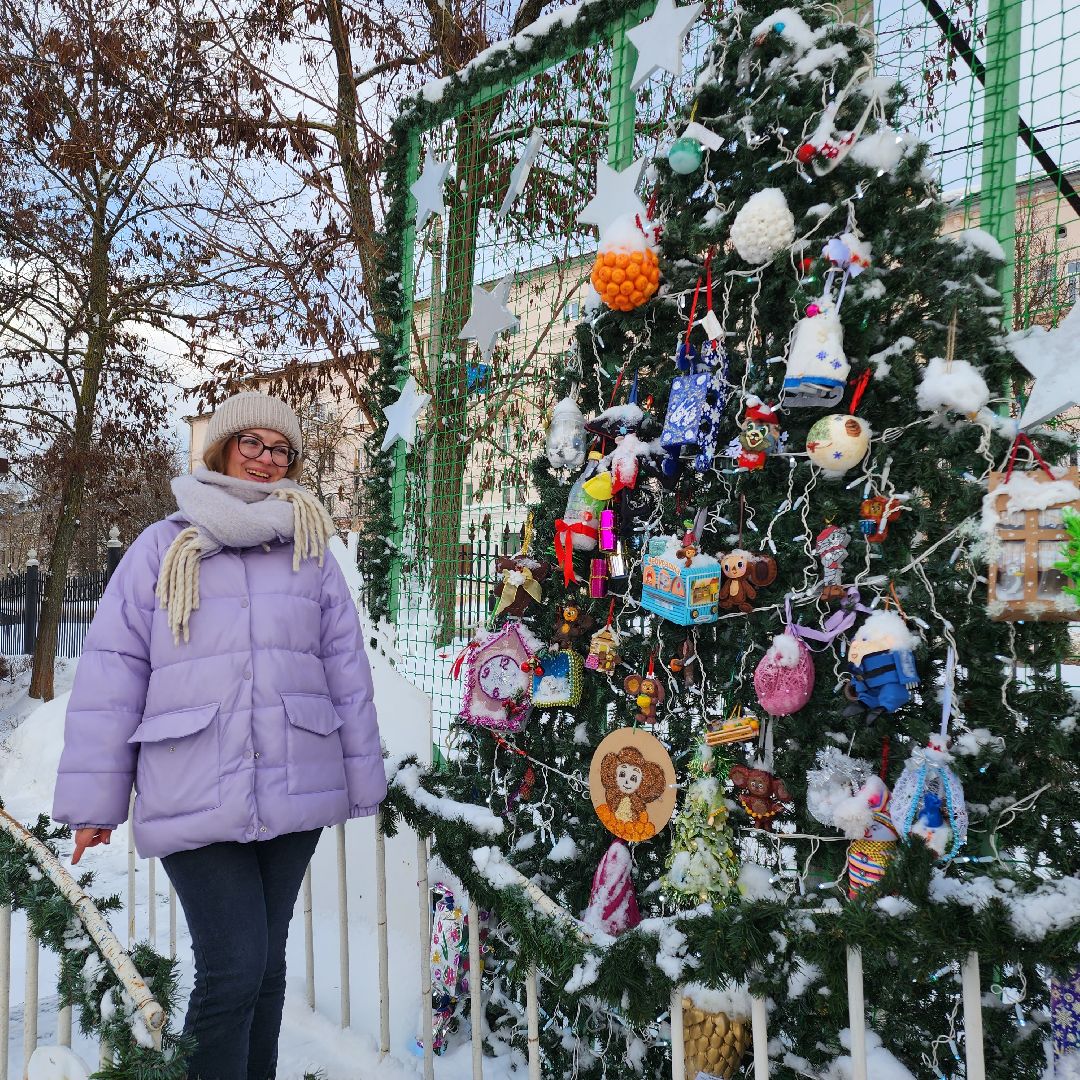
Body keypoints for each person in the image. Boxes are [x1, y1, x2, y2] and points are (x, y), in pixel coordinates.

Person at [52, 391, 386, 1080]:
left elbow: (345, 670)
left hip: (296, 780)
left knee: (265, 966)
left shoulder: (311, 547)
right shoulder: (163, 548)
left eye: (280, 449)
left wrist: (362, 778)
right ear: (222, 448)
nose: (266, 460)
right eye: (251, 444)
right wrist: (95, 804)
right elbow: (113, 678)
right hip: (192, 782)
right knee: (233, 967)